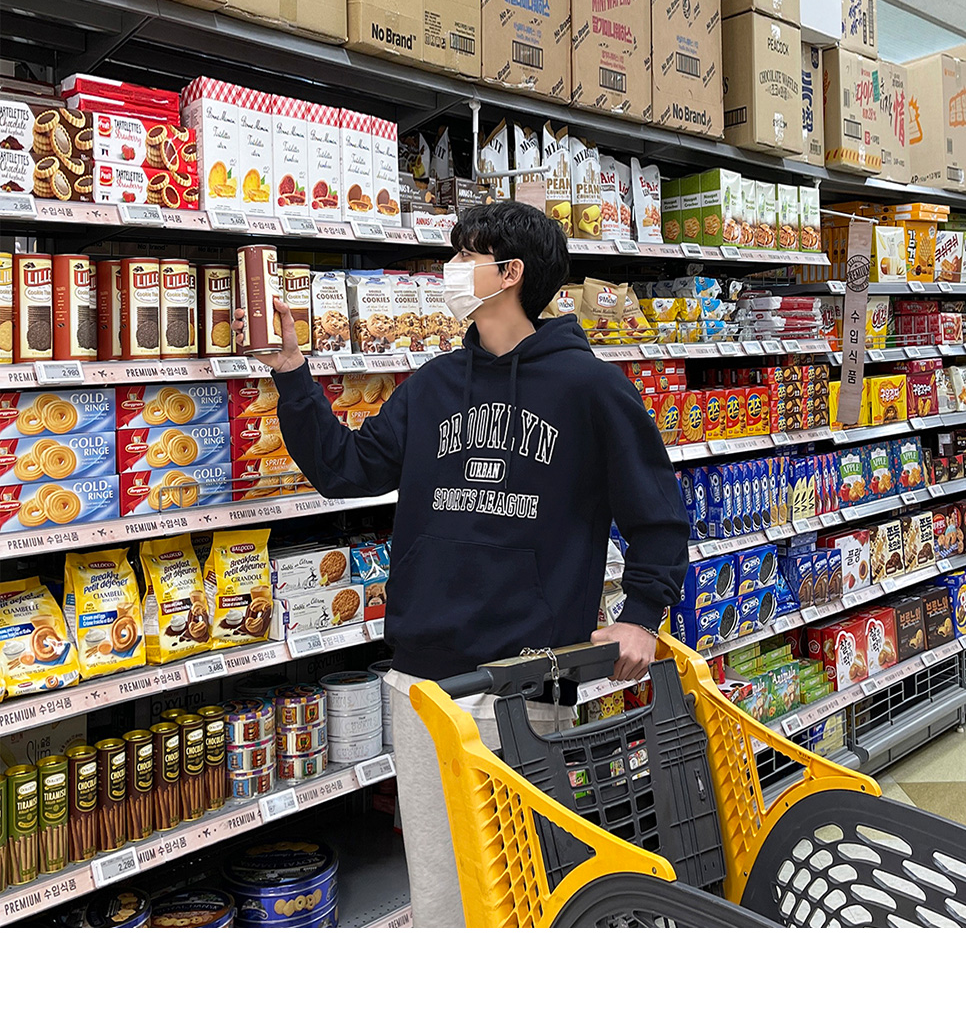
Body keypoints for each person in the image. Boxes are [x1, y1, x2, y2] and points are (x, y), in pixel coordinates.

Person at [234, 201, 690, 927]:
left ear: (510, 273)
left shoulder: (591, 388)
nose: (449, 270)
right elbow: (346, 469)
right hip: (423, 679)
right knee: (441, 892)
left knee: (525, 887)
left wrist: (641, 616)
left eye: (464, 256)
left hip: (529, 675)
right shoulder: (434, 384)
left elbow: (658, 515)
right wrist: (292, 373)